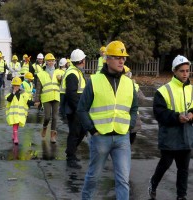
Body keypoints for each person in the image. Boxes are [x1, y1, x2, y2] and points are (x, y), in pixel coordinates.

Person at [78, 40, 138, 200]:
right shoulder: (95, 81)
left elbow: (133, 108)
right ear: (107, 59)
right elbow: (81, 109)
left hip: (122, 138)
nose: (121, 61)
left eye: (123, 58)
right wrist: (93, 130)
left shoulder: (129, 83)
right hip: (100, 138)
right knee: (93, 178)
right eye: (117, 57)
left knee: (123, 181)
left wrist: (129, 126)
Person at [148, 55, 193, 200]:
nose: (185, 74)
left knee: (183, 169)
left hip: (186, 135)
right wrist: (176, 117)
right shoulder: (164, 90)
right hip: (170, 135)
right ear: (174, 71)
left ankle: (181, 196)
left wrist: (192, 114)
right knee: (165, 164)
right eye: (182, 71)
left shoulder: (191, 89)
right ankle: (153, 183)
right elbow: (159, 113)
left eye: (187, 70)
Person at [60, 50, 87, 169]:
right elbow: (71, 94)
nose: (85, 61)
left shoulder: (76, 71)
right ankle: (70, 157)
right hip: (74, 109)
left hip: (76, 108)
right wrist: (80, 109)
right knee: (75, 133)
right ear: (81, 61)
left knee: (81, 131)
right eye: (84, 60)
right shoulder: (73, 73)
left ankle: (71, 152)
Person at [35, 53, 61, 143]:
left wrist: (61, 79)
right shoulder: (41, 74)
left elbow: (64, 84)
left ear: (54, 62)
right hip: (46, 98)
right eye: (49, 61)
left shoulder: (59, 72)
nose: (51, 62)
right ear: (45, 62)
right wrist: (37, 100)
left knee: (55, 117)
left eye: (52, 61)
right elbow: (38, 88)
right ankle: (45, 127)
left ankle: (52, 136)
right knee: (47, 117)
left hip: (56, 96)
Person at [5, 77, 38, 144]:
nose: (16, 87)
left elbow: (27, 101)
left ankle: (14, 134)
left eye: (17, 85)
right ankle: (16, 137)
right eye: (14, 85)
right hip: (13, 113)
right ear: (12, 85)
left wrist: (34, 103)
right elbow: (9, 99)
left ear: (20, 86)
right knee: (15, 124)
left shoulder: (23, 94)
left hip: (20, 113)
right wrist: (13, 93)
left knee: (16, 125)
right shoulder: (10, 93)